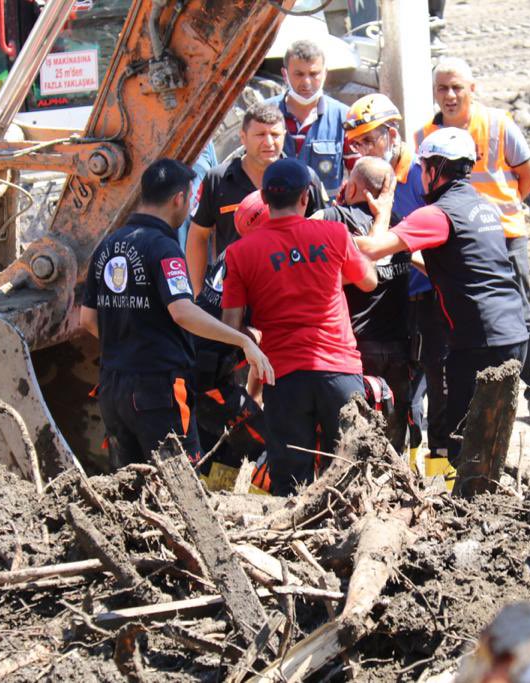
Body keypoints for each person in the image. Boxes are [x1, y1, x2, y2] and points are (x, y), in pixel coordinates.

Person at [354, 127, 529, 482]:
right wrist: (411, 257)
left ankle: (470, 506)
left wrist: (382, 210)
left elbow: (372, 249)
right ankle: (491, 495)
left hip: (477, 339)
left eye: (422, 167)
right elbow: (458, 263)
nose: (419, 174)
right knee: (493, 428)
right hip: (512, 330)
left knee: (462, 433)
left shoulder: (435, 213)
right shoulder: (484, 206)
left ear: (434, 168)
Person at [80, 158, 273, 469]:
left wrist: (130, 342)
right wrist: (243, 340)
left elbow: (87, 320)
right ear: (179, 198)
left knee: (129, 490)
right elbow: (183, 313)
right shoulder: (163, 247)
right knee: (181, 489)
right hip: (158, 391)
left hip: (113, 387)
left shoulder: (108, 246)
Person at [221, 158, 377, 495]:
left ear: (263, 197)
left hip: (284, 376)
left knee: (291, 484)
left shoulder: (240, 252)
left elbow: (230, 325)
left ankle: (294, 546)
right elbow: (369, 281)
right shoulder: (334, 233)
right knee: (350, 474)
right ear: (306, 197)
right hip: (339, 370)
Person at [415, 57, 530, 426]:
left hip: (502, 232)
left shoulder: (497, 124)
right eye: (442, 88)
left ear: (472, 90)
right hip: (454, 235)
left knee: (518, 312)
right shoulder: (425, 133)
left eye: (457, 87)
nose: (450, 95)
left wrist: (499, 211)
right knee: (463, 310)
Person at [342, 94, 444, 464]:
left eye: (370, 140)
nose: (364, 149)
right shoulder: (365, 175)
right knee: (395, 395)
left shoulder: (420, 177)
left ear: (391, 133)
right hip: (387, 305)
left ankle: (414, 466)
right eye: (358, 143)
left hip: (426, 296)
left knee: (425, 388)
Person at [314, 156, 413, 453]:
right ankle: (394, 489)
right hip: (398, 345)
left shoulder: (334, 219)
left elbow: (297, 235)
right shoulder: (400, 225)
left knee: (351, 428)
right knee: (393, 429)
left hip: (354, 346)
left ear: (353, 186)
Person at [187, 103, 327, 297]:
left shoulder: (306, 179)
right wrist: (198, 292)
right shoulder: (217, 179)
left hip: (291, 295)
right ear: (242, 137)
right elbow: (198, 235)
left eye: (275, 135)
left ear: (285, 135)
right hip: (233, 297)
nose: (269, 142)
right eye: (260, 135)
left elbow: (322, 236)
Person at [191, 191, 274, 491]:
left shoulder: (231, 251)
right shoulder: (256, 261)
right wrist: (254, 338)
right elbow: (235, 327)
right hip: (207, 381)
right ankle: (277, 512)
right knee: (269, 444)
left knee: (224, 447)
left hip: (207, 377)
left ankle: (215, 503)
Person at [266, 40, 357, 195]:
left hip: (323, 217)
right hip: (276, 216)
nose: (306, 82)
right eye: (299, 74)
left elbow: (358, 175)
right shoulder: (263, 115)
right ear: (285, 74)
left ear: (325, 73)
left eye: (314, 74)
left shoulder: (344, 118)